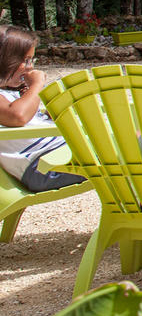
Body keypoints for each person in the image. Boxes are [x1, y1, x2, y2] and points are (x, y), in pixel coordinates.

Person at [0, 27, 85, 193]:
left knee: (139, 143)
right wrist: (37, 85)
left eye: (31, 60)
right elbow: (18, 116)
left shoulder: (10, 95)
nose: (30, 68)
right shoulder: (9, 101)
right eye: (25, 60)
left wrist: (48, 115)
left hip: (58, 158)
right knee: (136, 148)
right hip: (45, 167)